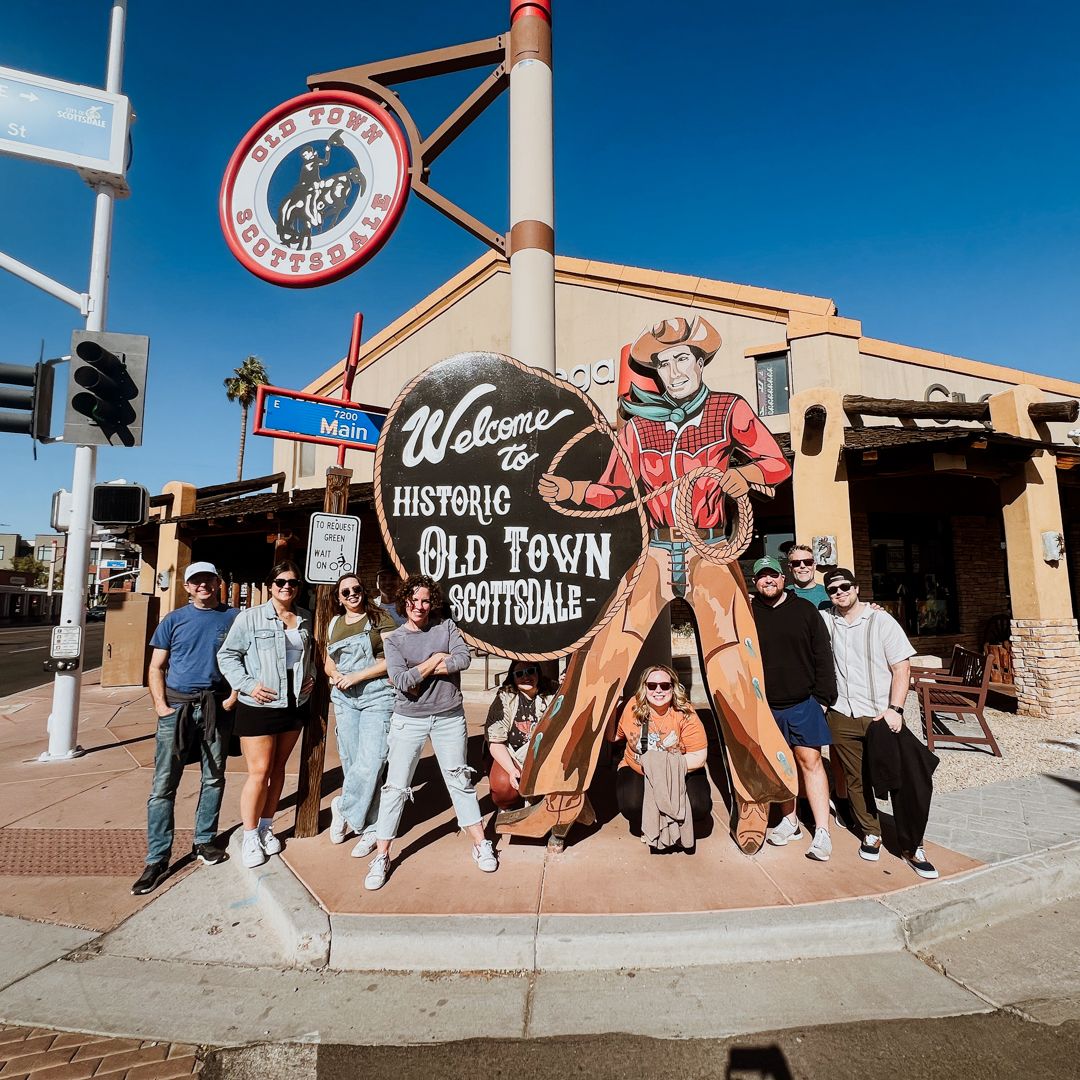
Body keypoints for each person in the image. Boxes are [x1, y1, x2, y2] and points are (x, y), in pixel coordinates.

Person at [509, 316, 798, 855]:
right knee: (596, 668)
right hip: (653, 551)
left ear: (700, 361)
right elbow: (614, 492)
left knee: (735, 674)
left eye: (683, 359)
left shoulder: (729, 408)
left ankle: (755, 799)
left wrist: (746, 476)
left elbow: (776, 463)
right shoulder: (636, 428)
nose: (674, 370)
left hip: (711, 547)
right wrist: (571, 488)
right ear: (655, 372)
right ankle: (561, 801)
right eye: (664, 363)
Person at [363, 573, 498, 890]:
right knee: (396, 786)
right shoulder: (395, 639)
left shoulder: (446, 627)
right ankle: (382, 855)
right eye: (414, 600)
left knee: (459, 780)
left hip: (448, 715)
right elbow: (400, 681)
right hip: (409, 719)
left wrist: (421, 670)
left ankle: (480, 843)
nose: (420, 606)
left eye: (426, 600)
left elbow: (463, 659)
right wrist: (436, 659)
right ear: (404, 601)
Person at [820, 567, 937, 877]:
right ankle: (871, 831)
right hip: (841, 713)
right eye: (833, 590)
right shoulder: (825, 619)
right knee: (856, 778)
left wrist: (895, 709)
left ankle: (913, 843)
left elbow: (902, 668)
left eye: (845, 586)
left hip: (880, 715)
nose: (839, 592)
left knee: (899, 778)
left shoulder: (881, 620)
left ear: (857, 588)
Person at [133, 562, 238, 895]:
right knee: (164, 784)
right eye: (196, 581)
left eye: (208, 579)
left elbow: (244, 658)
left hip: (215, 706)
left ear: (218, 582)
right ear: (188, 587)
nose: (202, 585)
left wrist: (234, 695)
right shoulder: (173, 620)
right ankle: (157, 858)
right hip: (176, 708)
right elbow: (156, 666)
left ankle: (204, 841)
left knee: (214, 776)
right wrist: (160, 706)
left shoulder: (233, 618)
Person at [217, 561, 315, 869]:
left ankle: (266, 826)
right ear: (270, 585)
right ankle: (249, 835)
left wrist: (310, 675)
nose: (287, 586)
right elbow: (228, 655)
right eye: (282, 581)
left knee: (278, 768)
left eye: (294, 583)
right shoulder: (250, 618)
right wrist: (247, 685)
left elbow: (309, 655)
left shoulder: (306, 618)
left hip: (295, 702)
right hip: (260, 703)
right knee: (259, 771)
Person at [749, 556, 837, 861]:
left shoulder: (805, 610)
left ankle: (823, 830)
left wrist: (824, 698)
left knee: (810, 761)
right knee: (781, 763)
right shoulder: (749, 613)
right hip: (767, 706)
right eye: (762, 577)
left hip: (803, 702)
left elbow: (822, 655)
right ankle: (790, 820)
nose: (768, 580)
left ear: (783, 578)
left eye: (773, 574)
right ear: (755, 582)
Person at [325, 574, 397, 857]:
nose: (352, 594)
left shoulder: (381, 619)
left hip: (376, 696)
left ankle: (343, 807)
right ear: (339, 598)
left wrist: (358, 675)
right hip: (344, 698)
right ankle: (371, 826)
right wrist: (336, 674)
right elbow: (328, 661)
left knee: (373, 761)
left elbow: (392, 659)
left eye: (356, 588)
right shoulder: (334, 623)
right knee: (353, 762)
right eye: (346, 592)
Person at [609, 666, 712, 848]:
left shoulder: (685, 712)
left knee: (698, 805)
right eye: (652, 685)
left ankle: (675, 824)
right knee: (632, 805)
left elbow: (698, 757)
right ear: (644, 687)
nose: (658, 690)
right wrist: (609, 707)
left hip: (679, 771)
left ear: (673, 688)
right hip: (638, 769)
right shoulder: (632, 707)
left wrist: (660, 768)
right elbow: (613, 736)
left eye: (665, 685)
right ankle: (650, 823)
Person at [485, 661, 558, 810]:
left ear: (538, 672)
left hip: (544, 756)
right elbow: (495, 741)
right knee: (502, 785)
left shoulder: (552, 693)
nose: (526, 677)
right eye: (519, 674)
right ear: (513, 677)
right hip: (514, 754)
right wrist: (512, 770)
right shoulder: (505, 698)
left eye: (530, 671)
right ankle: (506, 808)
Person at [785, 543, 830, 608]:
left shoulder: (829, 593)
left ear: (814, 566)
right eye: (796, 563)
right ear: (790, 568)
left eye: (808, 562)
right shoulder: (783, 595)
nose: (802, 566)